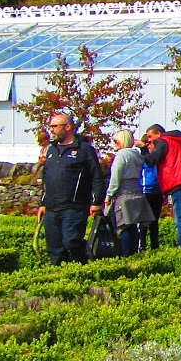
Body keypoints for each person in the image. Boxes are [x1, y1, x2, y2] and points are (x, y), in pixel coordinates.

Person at [36, 113, 105, 265]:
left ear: (67, 127)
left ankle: (84, 266)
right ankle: (59, 279)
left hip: (74, 206)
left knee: (71, 242)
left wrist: (97, 202)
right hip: (52, 208)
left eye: (55, 126)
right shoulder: (51, 150)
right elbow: (47, 178)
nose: (51, 130)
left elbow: (97, 177)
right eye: (51, 126)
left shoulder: (84, 150)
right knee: (55, 249)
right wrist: (43, 203)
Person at [104, 129, 155, 257]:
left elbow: (115, 179)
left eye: (116, 141)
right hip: (136, 191)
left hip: (123, 194)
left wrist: (109, 195)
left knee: (124, 226)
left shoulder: (121, 155)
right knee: (133, 226)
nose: (115, 144)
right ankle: (134, 253)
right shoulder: (136, 154)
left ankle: (126, 254)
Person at [139, 125, 169, 249]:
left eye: (150, 143)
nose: (149, 146)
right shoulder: (143, 157)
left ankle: (155, 246)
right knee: (143, 222)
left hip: (157, 192)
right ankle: (142, 246)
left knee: (154, 221)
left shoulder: (158, 156)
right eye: (146, 144)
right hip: (145, 192)